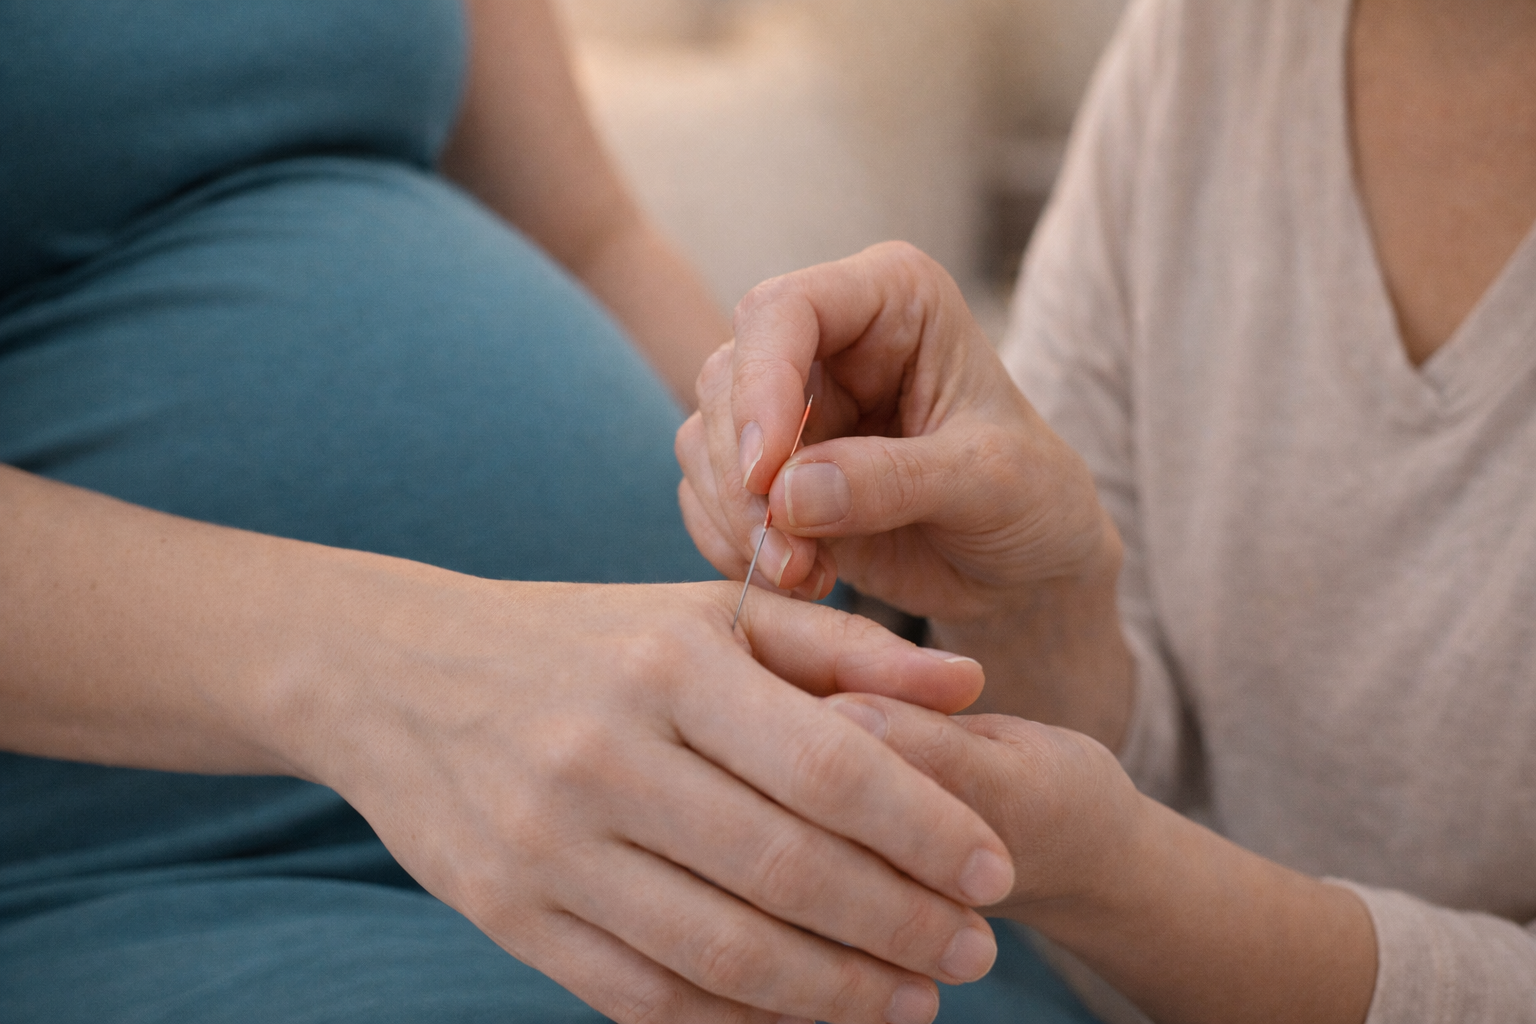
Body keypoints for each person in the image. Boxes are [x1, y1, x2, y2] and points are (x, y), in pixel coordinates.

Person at [0, 3, 1033, 1022]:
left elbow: (591, 235)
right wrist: (393, 681)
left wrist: (766, 442)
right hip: (163, 860)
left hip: (677, 780)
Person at [677, 0, 1536, 1021]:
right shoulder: (1204, 37)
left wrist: (1117, 877)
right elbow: (1146, 761)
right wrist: (1030, 606)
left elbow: (1117, 848)